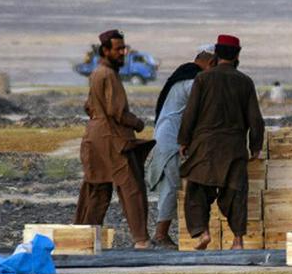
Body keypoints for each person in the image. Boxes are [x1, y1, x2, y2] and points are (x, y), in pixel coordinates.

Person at [178, 34, 265, 250]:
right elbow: (256, 119)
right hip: (233, 148)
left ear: (216, 54)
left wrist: (183, 140)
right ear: (237, 55)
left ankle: (203, 233)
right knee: (235, 193)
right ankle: (237, 240)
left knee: (197, 191)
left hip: (204, 147)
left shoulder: (203, 79)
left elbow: (190, 113)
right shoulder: (244, 82)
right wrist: (255, 146)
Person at [74, 29, 153, 248]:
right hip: (111, 138)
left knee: (97, 189)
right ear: (106, 50)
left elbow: (88, 106)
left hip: (94, 136)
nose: (123, 53)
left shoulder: (97, 72)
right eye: (118, 49)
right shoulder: (108, 75)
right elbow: (117, 111)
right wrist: (138, 123)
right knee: (131, 188)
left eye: (124, 48)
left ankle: (82, 239)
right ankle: (141, 240)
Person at [146, 43, 216, 248]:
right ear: (211, 63)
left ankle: (162, 233)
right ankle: (160, 234)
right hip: (170, 139)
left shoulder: (183, 75)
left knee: (171, 185)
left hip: (167, 137)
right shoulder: (192, 81)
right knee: (171, 186)